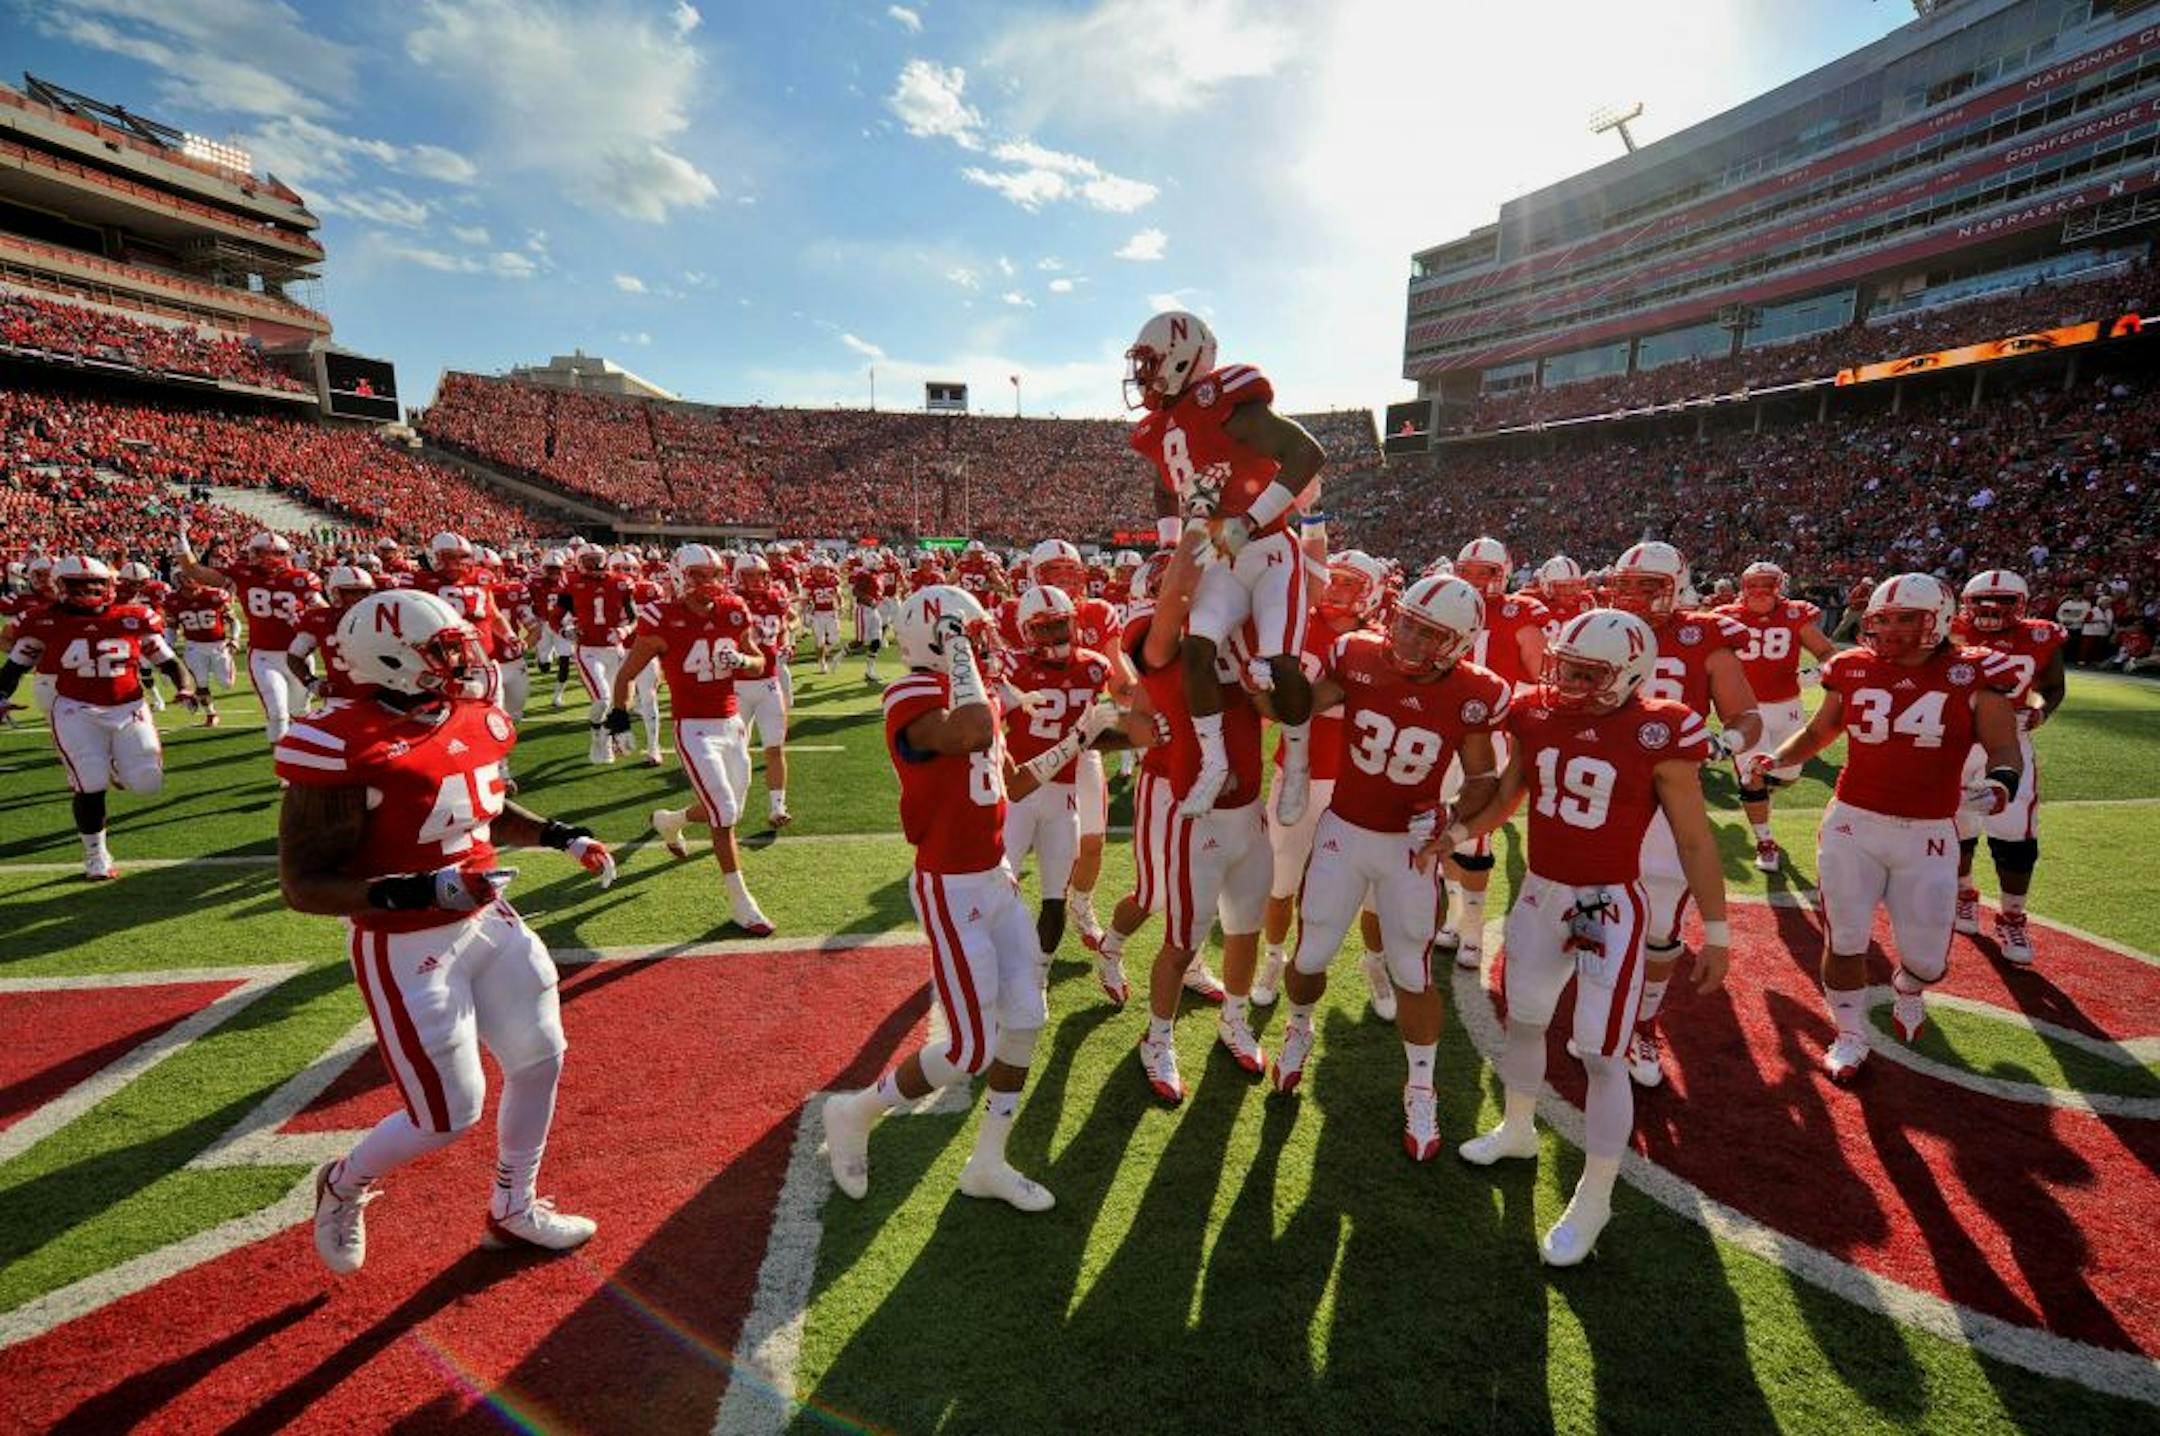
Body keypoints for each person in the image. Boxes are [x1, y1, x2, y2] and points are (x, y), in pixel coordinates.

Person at [276, 588, 617, 1274]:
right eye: (442, 650)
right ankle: (343, 1183)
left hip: (487, 917)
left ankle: (513, 1209)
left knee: (540, 1057)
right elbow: (304, 884)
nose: (461, 658)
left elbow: (480, 802)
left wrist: (560, 836)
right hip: (405, 942)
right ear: (390, 658)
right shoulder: (342, 744)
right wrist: (419, 889)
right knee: (445, 1114)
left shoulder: (468, 715)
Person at [1443, 609, 1730, 1265]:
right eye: (1563, 665)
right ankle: (1517, 1129)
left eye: (1584, 672)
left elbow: (1691, 836)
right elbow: (1510, 792)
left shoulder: (1660, 730)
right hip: (1542, 893)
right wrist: (1456, 837)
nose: (1565, 679)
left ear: (1626, 676)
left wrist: (1715, 930)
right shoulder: (1536, 715)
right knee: (1524, 1021)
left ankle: (1594, 1198)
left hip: (1609, 905)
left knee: (1601, 1053)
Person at [823, 584, 1063, 1213]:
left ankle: (988, 1161)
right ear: (939, 634)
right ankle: (855, 1112)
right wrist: (959, 651)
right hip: (950, 885)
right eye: (968, 632)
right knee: (970, 1049)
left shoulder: (968, 687)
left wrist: (1083, 738)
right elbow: (972, 729)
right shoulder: (912, 692)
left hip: (995, 875)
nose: (982, 642)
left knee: (1028, 1021)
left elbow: (1003, 777)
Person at [1271, 575, 1509, 1162]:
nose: (1407, 636)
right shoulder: (1357, 655)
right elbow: (1300, 706)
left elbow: (1482, 777)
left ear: (1456, 644)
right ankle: (1298, 1025)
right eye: (1406, 620)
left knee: (1411, 967)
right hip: (1344, 829)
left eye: (1428, 633)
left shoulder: (1473, 692)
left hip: (1409, 845)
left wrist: (1451, 821)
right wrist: (1271, 673)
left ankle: (1421, 1083)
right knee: (1312, 952)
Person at [1751, 574, 2024, 1083]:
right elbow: (1820, 731)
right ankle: (1850, 1034)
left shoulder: (1975, 672)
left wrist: (2002, 783)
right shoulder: (1852, 668)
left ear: (1938, 621)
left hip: (1928, 833)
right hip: (1853, 824)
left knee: (1927, 963)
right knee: (1846, 936)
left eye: (1906, 619)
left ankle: (1909, 986)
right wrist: (1776, 758)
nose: (1892, 629)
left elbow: (2004, 747)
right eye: (1883, 620)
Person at [1126, 310, 1325, 820]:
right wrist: (1171, 545)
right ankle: (1213, 764)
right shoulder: (1159, 428)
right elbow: (1163, 484)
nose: (1143, 376)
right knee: (1197, 650)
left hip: (1271, 549)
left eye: (1150, 364)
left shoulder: (1223, 399)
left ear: (1184, 358)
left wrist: (1247, 522)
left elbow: (1306, 452)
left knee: (1282, 663)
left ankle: (1298, 760)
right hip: (1220, 554)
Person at [1123, 528, 1274, 1103]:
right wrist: (1201, 527)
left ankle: (1235, 1019)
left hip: (1249, 811)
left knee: (1244, 930)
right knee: (1183, 940)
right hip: (1199, 816)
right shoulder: (1161, 647)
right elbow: (1172, 609)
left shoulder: (1236, 636)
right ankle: (1156, 1037)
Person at [1602, 540, 1760, 1089]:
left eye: (1651, 585)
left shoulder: (1705, 636)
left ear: (1679, 586)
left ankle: (1643, 1022)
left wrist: (1724, 743)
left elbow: (1745, 716)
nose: (1637, 597)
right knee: (1584, 910)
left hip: (1670, 795)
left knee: (1662, 917)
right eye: (1628, 585)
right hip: (1602, 788)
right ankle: (1599, 1012)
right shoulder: (1598, 625)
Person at [612, 544, 776, 936]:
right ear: (678, 576)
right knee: (723, 812)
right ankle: (742, 904)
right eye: (698, 575)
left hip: (732, 724)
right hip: (694, 728)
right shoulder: (661, 617)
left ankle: (670, 821)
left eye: (714, 575)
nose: (708, 584)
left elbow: (758, 662)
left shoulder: (733, 609)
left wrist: (741, 661)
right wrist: (619, 717)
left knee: (727, 807)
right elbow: (626, 674)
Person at [0, 556, 196, 879]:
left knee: (148, 783)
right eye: (79, 584)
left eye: (96, 583)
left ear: (109, 585)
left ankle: (117, 762)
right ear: (61, 587)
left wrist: (185, 688)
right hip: (75, 709)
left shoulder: (133, 617)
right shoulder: (43, 621)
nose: (89, 589)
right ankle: (96, 855)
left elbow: (169, 661)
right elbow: (14, 668)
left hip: (128, 706)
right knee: (90, 781)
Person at [1255, 550, 1385, 1009]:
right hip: (1297, 775)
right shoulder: (1295, 626)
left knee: (1371, 890)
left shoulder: (1380, 645)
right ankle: (1273, 957)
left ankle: (1376, 962)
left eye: (1350, 584)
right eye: (1336, 580)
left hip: (1358, 783)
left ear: (1371, 593)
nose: (1336, 590)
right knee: (1283, 878)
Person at [1434, 537, 1548, 974]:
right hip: (1442, 731)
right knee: (1442, 821)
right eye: (1469, 572)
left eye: (1487, 573)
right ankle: (1451, 917)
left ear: (1503, 575)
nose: (1477, 582)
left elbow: (1541, 679)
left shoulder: (1521, 613)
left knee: (1476, 836)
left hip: (1491, 735)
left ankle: (1473, 933)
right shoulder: (1445, 604)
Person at [1948, 570, 2068, 966]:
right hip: (1957, 739)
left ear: (2021, 605)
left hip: (2010, 738)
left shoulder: (2039, 636)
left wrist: (2040, 710)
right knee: (1957, 823)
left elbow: (2052, 686)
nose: (1989, 609)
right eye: (1982, 600)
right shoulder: (1949, 627)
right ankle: (1964, 894)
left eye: (2001, 601)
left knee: (2014, 831)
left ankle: (2013, 916)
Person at [999, 585, 1116, 969]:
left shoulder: (1094, 666)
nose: (1056, 636)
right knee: (999, 887)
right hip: (1018, 792)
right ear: (1026, 631)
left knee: (1055, 896)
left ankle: (1039, 977)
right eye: (1044, 628)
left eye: (1061, 624)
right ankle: (989, 966)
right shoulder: (1011, 668)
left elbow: (1100, 728)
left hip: (1064, 795)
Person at [1714, 561, 1835, 873]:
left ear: (1778, 587)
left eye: (1766, 585)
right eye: (1753, 586)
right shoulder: (1726, 617)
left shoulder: (1795, 615)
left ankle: (1758, 791)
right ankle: (1765, 841)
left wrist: (1821, 670)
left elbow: (1826, 652)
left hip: (1787, 707)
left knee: (1789, 773)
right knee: (1753, 773)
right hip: (1745, 709)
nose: (1758, 593)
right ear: (1743, 588)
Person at [174, 528, 322, 746]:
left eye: (266, 553)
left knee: (300, 711)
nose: (262, 558)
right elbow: (196, 571)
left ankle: (301, 759)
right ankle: (285, 770)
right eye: (259, 552)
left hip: (298, 654)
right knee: (278, 713)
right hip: (264, 656)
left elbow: (321, 610)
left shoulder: (301, 579)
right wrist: (181, 543)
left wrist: (310, 619)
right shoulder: (244, 574)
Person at [560, 546, 645, 765]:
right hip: (588, 649)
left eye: (598, 560)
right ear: (579, 563)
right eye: (589, 561)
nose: (595, 564)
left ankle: (605, 736)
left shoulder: (620, 582)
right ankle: (597, 734)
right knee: (602, 698)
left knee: (615, 701)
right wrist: (565, 630)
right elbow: (556, 615)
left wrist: (624, 630)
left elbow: (634, 618)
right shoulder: (571, 584)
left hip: (613, 649)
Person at [734, 554, 797, 828]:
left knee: (775, 747)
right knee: (736, 751)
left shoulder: (776, 598)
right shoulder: (730, 602)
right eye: (749, 575)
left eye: (759, 575)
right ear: (737, 576)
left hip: (769, 683)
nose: (756, 580)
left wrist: (785, 639)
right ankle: (733, 805)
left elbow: (790, 621)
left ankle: (777, 807)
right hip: (736, 684)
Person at [166, 577, 236, 727]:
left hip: (219, 644)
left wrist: (234, 638)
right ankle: (211, 713)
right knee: (201, 682)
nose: (193, 594)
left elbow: (233, 620)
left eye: (195, 589)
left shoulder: (215, 595)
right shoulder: (173, 600)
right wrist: (169, 644)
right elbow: (172, 626)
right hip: (194, 646)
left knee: (227, 684)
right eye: (188, 590)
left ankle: (229, 660)